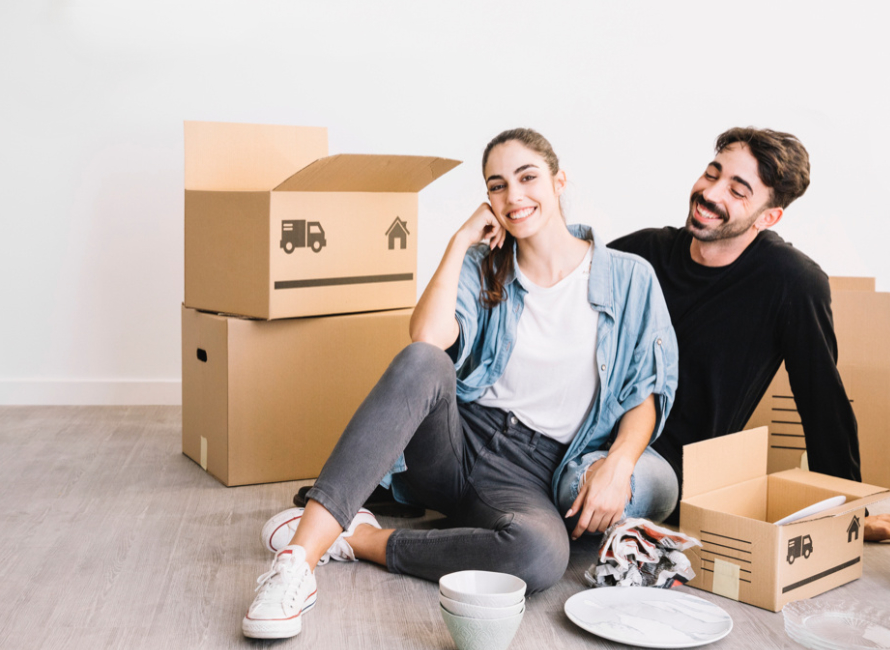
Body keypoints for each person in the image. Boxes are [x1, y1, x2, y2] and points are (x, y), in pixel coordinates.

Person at [241, 128, 680, 640]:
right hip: (453, 444)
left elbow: (644, 391)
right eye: (497, 185)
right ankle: (298, 561)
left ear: (560, 182)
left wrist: (620, 463)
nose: (513, 196)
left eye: (528, 177)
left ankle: (358, 539)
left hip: (530, 473)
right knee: (425, 362)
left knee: (542, 555)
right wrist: (459, 242)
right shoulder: (483, 263)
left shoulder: (631, 278)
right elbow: (427, 337)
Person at [607, 128, 885, 538]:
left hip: (668, 468)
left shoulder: (790, 281)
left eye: (738, 191)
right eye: (711, 173)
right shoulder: (642, 254)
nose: (711, 193)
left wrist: (849, 516)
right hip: (591, 435)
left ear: (768, 216)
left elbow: (822, 401)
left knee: (579, 494)